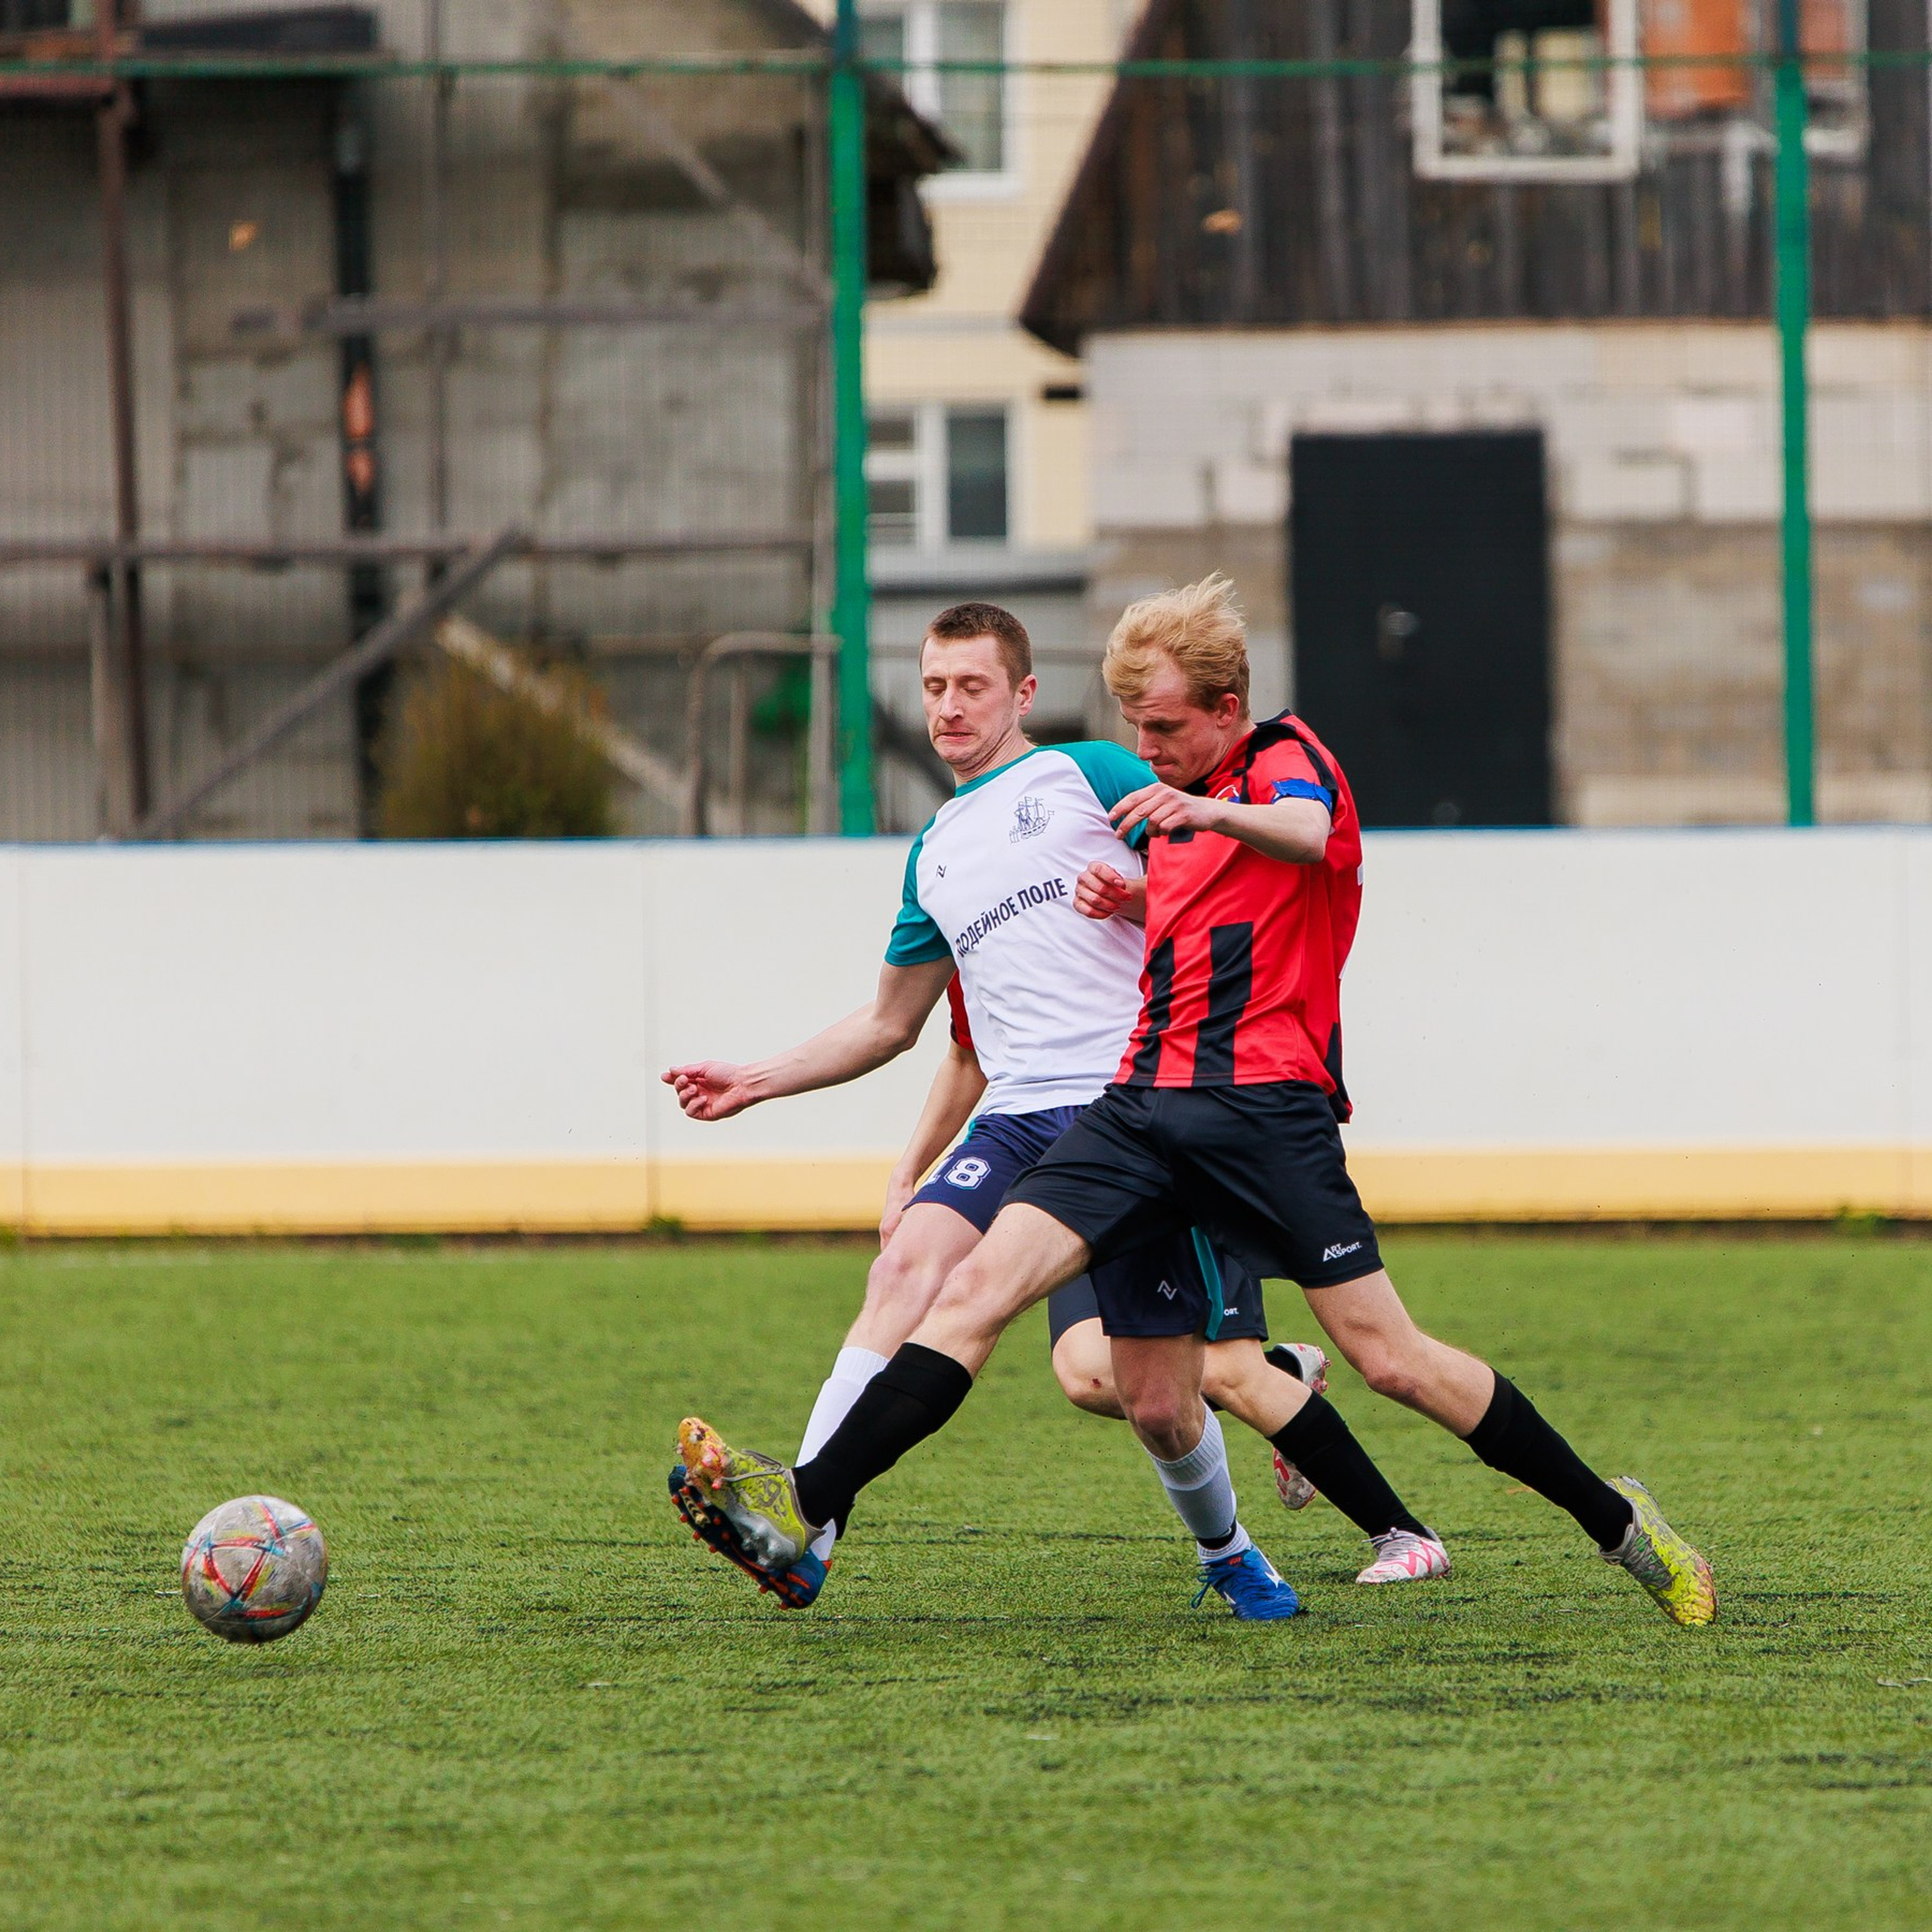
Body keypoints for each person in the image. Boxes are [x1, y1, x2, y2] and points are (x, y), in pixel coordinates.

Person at [675, 576, 1718, 1629]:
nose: (1149, 746)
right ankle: (802, 1507)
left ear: (1226, 711)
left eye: (1167, 726)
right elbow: (1122, 935)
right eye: (1135, 725)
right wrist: (1139, 886)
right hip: (1137, 1110)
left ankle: (1618, 1522)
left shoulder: (1281, 761)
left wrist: (1199, 810)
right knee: (973, 1295)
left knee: (1391, 1361)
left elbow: (1305, 838)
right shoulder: (1127, 820)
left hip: (1269, 1115)